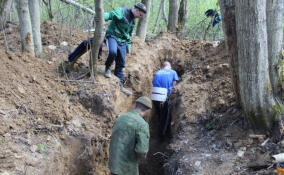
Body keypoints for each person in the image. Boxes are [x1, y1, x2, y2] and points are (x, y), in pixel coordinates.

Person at [66, 3, 147, 95]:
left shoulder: (133, 21)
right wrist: (101, 17)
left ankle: (120, 85)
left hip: (123, 41)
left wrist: (128, 45)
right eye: (140, 15)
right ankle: (107, 67)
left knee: (121, 63)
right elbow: (110, 14)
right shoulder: (122, 11)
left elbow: (129, 34)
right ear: (137, 10)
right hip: (112, 36)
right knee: (112, 52)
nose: (139, 17)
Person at [108, 96, 152, 175]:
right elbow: (141, 150)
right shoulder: (143, 125)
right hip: (127, 169)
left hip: (113, 164)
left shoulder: (120, 118)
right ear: (147, 111)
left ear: (134, 105)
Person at [151, 61, 178, 141]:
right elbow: (174, 84)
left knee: (160, 114)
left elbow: (154, 83)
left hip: (155, 95)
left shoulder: (157, 72)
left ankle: (160, 128)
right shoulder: (173, 72)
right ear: (169, 66)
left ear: (162, 67)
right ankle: (162, 135)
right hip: (164, 96)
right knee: (166, 116)